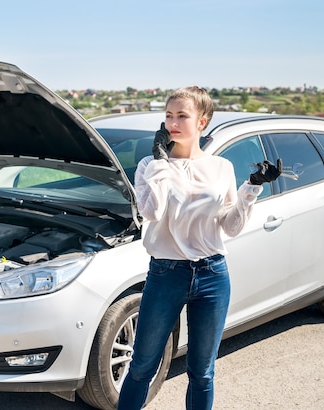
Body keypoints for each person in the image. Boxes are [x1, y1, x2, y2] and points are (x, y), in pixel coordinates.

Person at [117, 86, 281, 410]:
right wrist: (162, 163)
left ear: (202, 122)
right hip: (166, 275)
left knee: (203, 373)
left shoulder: (221, 168)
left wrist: (252, 187)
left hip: (212, 275)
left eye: (182, 116)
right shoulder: (149, 166)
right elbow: (152, 212)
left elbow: (230, 226)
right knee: (141, 368)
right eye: (168, 115)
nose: (172, 123)